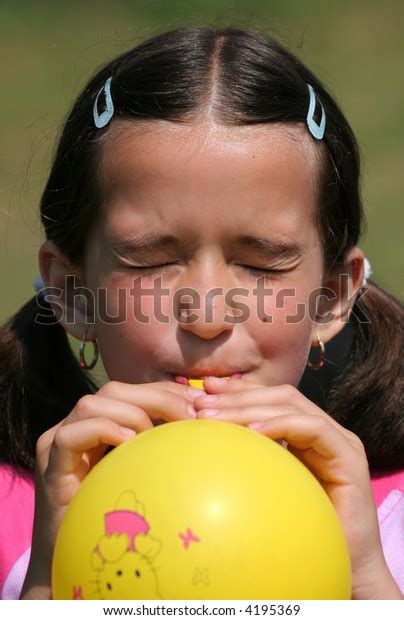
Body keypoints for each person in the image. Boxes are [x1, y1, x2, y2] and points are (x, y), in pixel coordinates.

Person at [0, 26, 403, 601]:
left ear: (333, 295)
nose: (208, 314)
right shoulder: (15, 528)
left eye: (262, 265)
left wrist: (365, 581)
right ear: (72, 292)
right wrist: (46, 584)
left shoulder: (387, 529)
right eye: (150, 261)